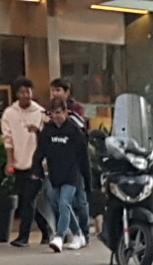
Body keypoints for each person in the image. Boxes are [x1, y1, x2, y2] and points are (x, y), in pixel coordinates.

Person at [0, 79, 51, 248]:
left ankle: (24, 237)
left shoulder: (41, 113)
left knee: (28, 199)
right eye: (22, 92)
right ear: (16, 94)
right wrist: (10, 161)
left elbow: (47, 140)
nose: (26, 95)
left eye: (28, 91)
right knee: (26, 200)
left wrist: (45, 161)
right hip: (19, 162)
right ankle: (46, 229)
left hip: (36, 163)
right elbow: (7, 139)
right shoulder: (9, 113)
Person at [35, 99, 91, 253]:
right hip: (55, 174)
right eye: (52, 113)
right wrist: (37, 170)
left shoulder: (73, 131)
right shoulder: (47, 131)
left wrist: (88, 179)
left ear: (66, 112)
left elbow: (83, 156)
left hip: (72, 174)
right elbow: (40, 152)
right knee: (55, 202)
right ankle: (78, 233)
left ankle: (59, 236)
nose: (56, 116)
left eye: (58, 113)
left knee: (64, 202)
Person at [48, 79, 95, 244]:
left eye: (58, 90)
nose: (55, 93)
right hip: (58, 168)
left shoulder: (77, 110)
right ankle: (74, 233)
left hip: (75, 166)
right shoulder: (50, 114)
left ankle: (82, 234)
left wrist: (68, 116)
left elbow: (80, 129)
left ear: (67, 92)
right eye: (53, 90)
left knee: (79, 202)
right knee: (59, 203)